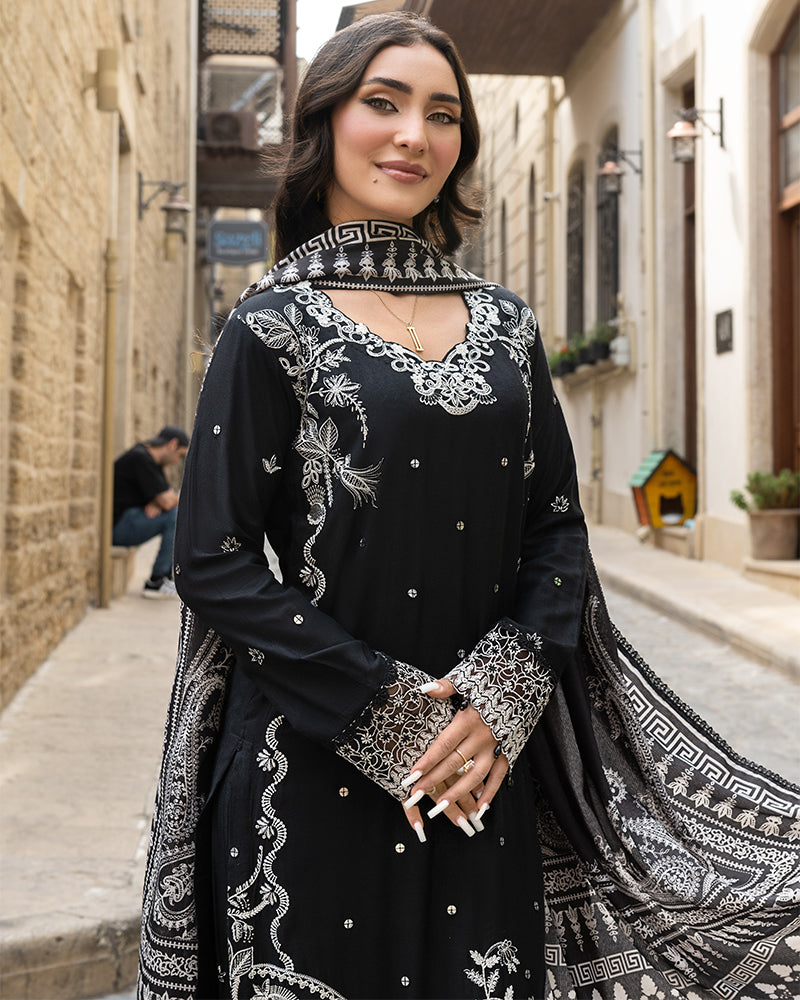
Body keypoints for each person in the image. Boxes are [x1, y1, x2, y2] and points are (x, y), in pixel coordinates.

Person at [137, 13, 800, 1000]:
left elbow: (555, 529)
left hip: (482, 769)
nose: (415, 135)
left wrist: (502, 696)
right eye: (384, 103)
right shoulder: (269, 326)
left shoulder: (504, 324)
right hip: (306, 767)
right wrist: (385, 714)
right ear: (326, 122)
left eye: (443, 114)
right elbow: (214, 559)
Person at [112, 425, 189, 597]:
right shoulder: (141, 459)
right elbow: (168, 501)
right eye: (179, 454)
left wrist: (157, 502)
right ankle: (157, 580)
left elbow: (165, 497)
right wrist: (163, 501)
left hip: (126, 520)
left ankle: (162, 577)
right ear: (172, 444)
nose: (177, 461)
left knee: (172, 512)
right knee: (175, 516)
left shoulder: (151, 460)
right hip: (115, 528)